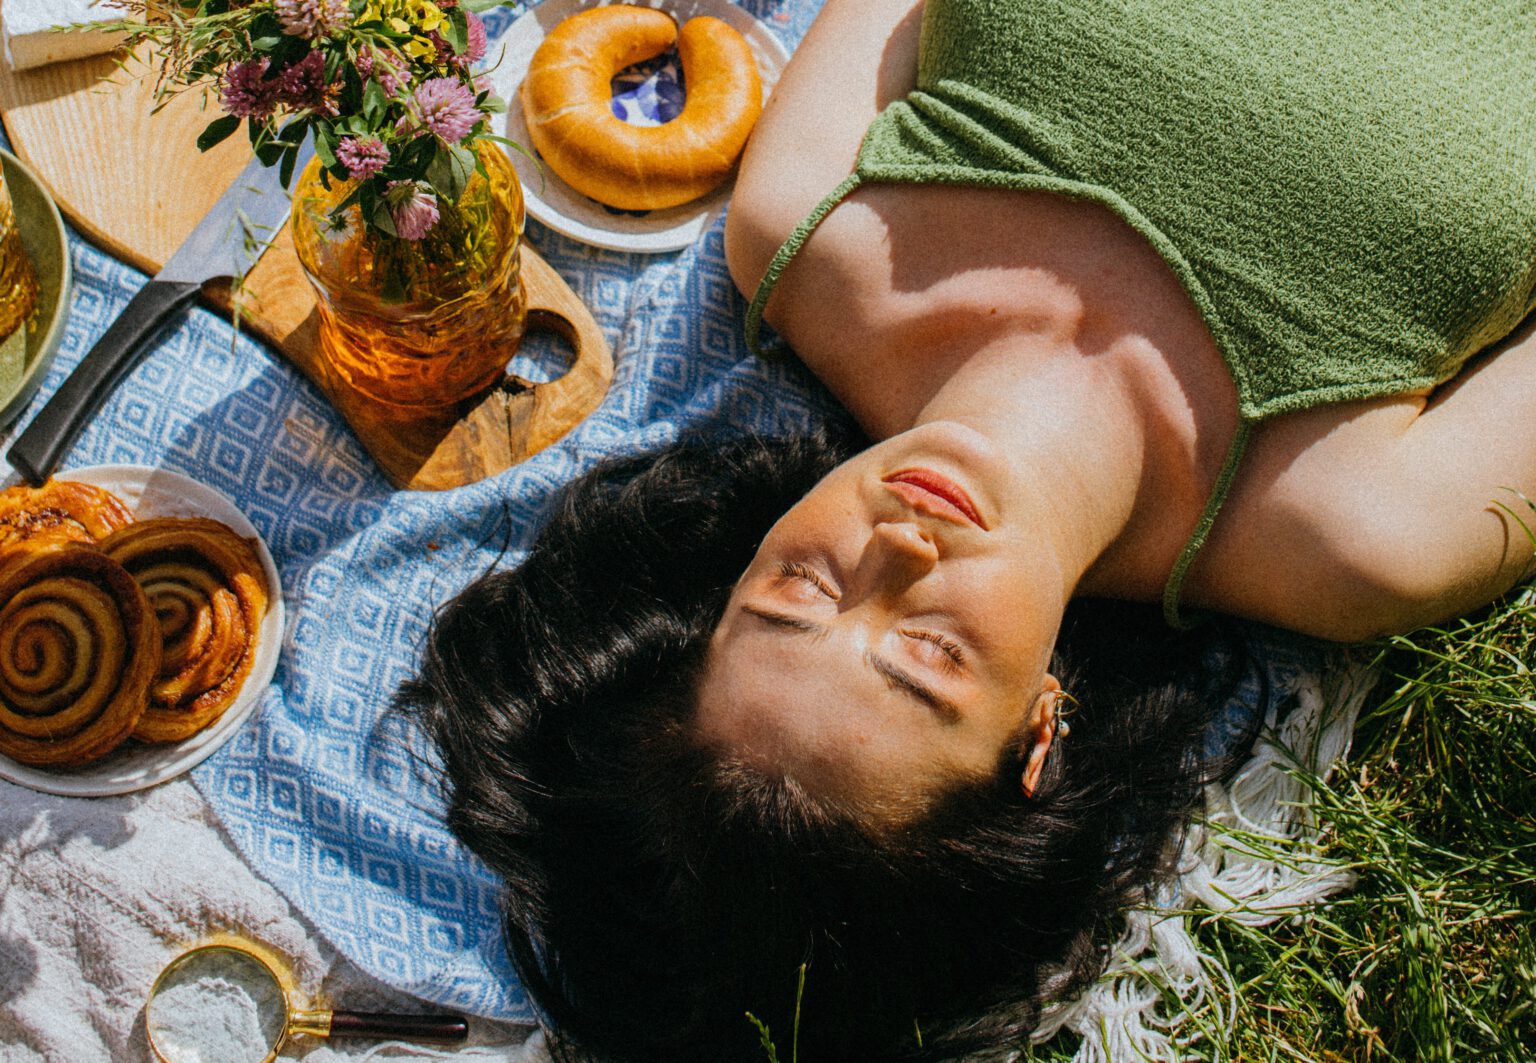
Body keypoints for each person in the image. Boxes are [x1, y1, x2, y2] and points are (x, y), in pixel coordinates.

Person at [399, 1, 1536, 1060]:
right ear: (1043, 734)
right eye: (931, 657)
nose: (897, 549)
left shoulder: (809, 225)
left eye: (795, 592)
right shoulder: (1353, 534)